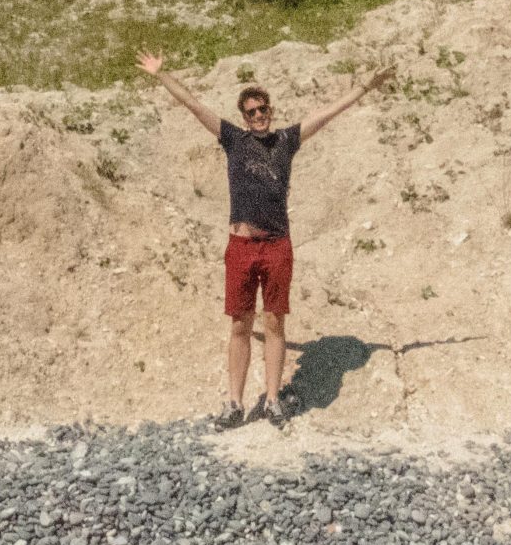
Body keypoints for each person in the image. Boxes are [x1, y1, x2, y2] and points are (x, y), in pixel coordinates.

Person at [136, 51, 393, 429]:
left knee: (275, 324)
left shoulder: (287, 141)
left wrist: (366, 87)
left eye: (263, 110)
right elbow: (192, 104)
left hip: (277, 245)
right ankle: (234, 403)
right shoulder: (233, 140)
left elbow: (328, 113)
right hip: (240, 246)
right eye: (252, 112)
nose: (259, 116)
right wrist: (162, 75)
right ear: (243, 117)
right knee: (240, 326)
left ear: (270, 110)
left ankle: (272, 400)